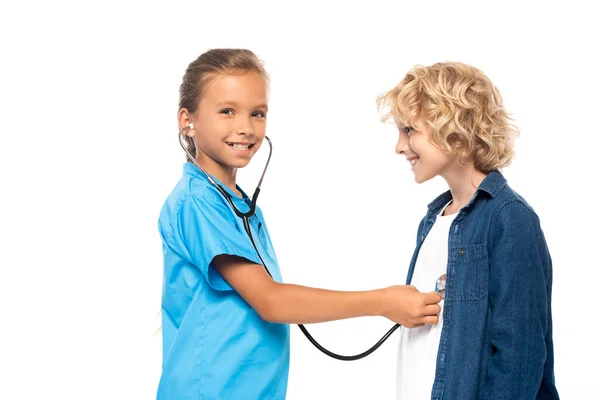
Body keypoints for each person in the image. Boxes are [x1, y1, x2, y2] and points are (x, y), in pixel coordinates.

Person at [157, 48, 442, 399]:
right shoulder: (197, 202)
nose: (246, 128)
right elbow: (271, 302)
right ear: (187, 119)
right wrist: (382, 302)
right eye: (227, 111)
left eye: (257, 113)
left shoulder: (237, 204)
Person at [377, 61, 559, 399]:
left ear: (455, 131)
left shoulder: (510, 219)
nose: (399, 146)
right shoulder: (433, 219)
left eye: (409, 130)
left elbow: (519, 357)